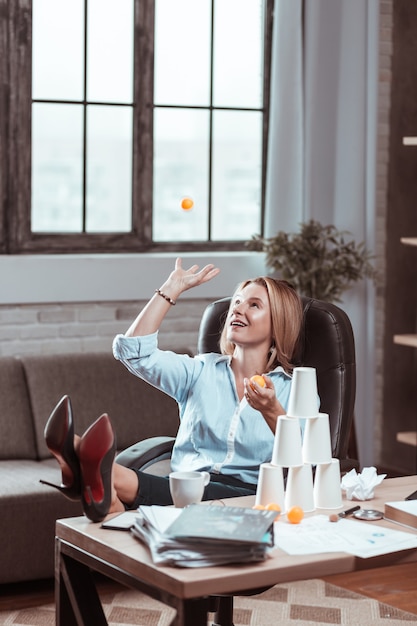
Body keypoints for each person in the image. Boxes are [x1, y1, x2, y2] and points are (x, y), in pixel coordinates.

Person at [41, 258, 304, 522]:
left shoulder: (294, 390)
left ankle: (83, 467)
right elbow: (133, 353)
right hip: (183, 486)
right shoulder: (200, 371)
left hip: (247, 498)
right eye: (236, 301)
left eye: (254, 305)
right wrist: (170, 289)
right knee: (114, 500)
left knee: (115, 477)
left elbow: (305, 460)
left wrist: (272, 411)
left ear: (277, 324)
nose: (237, 309)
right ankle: (100, 489)